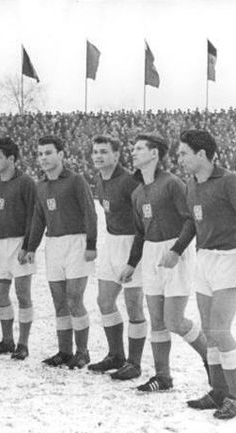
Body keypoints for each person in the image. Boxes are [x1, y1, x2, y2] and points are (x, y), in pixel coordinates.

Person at [177, 130, 236, 419]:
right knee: (209, 331)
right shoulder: (191, 185)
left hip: (229, 259)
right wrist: (176, 250)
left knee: (220, 330)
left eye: (184, 153)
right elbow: (191, 223)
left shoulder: (230, 181)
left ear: (202, 154)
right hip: (204, 258)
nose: (180, 158)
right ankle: (219, 391)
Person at [119, 133, 208, 392]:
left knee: (175, 321)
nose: (133, 152)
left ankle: (211, 361)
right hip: (151, 254)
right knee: (157, 321)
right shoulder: (137, 193)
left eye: (138, 148)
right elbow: (140, 232)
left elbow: (190, 220)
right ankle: (163, 377)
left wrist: (177, 250)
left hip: (174, 252)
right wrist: (132, 263)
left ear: (155, 153)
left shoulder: (172, 184)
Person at [22, 136, 97, 369]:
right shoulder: (41, 186)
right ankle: (64, 351)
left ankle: (82, 352)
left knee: (74, 298)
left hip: (76, 242)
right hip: (53, 244)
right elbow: (39, 218)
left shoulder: (76, 181)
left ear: (61, 155)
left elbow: (90, 212)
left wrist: (91, 244)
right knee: (59, 302)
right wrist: (30, 247)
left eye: (48, 153)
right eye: (40, 154)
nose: (43, 158)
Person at [88, 135, 147, 380]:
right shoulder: (99, 180)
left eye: (104, 152)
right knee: (104, 301)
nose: (98, 156)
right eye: (95, 152)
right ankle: (116, 355)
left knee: (133, 305)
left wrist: (135, 258)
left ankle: (134, 363)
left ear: (116, 155)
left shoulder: (131, 182)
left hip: (133, 243)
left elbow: (143, 220)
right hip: (111, 243)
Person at [0, 137, 37, 360]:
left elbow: (34, 216)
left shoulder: (26, 183)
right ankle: (7, 340)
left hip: (20, 243)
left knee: (23, 294)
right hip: (1, 243)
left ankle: (23, 344)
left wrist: (28, 246)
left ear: (11, 159)